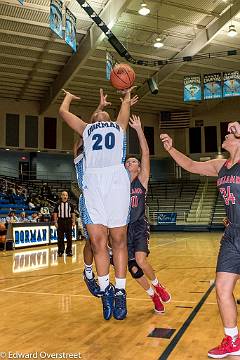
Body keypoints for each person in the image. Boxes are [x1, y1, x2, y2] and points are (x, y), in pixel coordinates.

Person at [160, 121, 240, 358]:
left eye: (229, 134)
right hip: (232, 233)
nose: (225, 135)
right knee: (223, 288)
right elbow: (191, 165)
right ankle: (232, 340)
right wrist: (171, 149)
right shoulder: (220, 165)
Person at [59, 86, 137, 320]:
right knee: (97, 241)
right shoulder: (86, 130)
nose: (101, 116)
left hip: (115, 180)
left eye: (104, 113)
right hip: (93, 182)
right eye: (97, 115)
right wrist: (68, 98)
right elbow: (63, 113)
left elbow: (124, 109)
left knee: (119, 239)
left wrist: (124, 97)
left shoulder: (118, 127)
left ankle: (120, 290)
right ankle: (105, 291)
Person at [125, 115, 171, 313]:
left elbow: (145, 152)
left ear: (138, 166)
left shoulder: (142, 180)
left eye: (133, 161)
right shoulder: (119, 185)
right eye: (127, 162)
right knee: (134, 270)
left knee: (141, 260)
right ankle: (153, 297)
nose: (130, 163)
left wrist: (138, 129)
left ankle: (158, 285)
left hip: (139, 226)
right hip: (122, 230)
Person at [53, 191, 75, 257]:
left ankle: (69, 251)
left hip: (68, 221)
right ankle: (60, 251)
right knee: (60, 237)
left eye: (66, 195)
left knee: (69, 237)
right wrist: (55, 222)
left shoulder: (70, 204)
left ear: (67, 196)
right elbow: (55, 213)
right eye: (63, 195)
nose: (65, 196)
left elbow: (73, 213)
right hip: (60, 221)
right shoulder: (57, 204)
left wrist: (73, 221)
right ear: (61, 196)